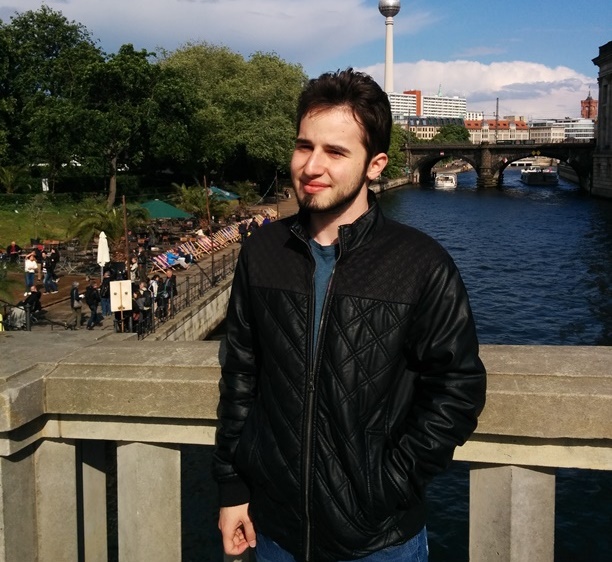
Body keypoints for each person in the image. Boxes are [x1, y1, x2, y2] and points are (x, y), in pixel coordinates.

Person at [212, 68, 487, 562]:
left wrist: (391, 483)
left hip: (380, 540)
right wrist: (233, 486)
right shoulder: (263, 252)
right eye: (304, 146)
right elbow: (240, 375)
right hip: (275, 530)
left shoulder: (420, 264)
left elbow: (457, 388)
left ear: (375, 165)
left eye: (336, 152)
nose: (312, 166)